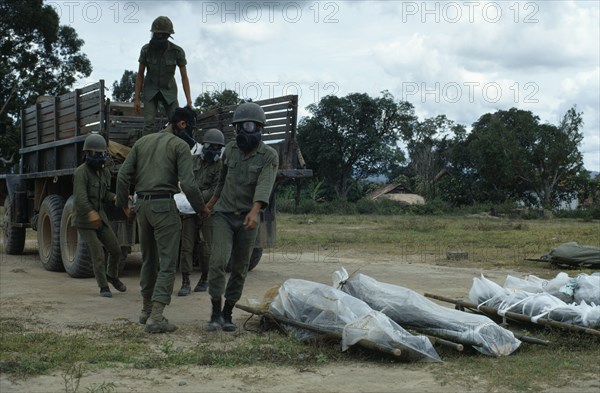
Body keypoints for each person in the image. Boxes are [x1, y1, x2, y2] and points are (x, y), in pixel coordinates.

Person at [116, 107, 209, 334]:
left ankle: (146, 310)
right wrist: (201, 208)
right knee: (168, 263)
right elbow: (187, 183)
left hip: (142, 206)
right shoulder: (179, 146)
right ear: (182, 125)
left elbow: (122, 175)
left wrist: (124, 205)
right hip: (164, 206)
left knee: (149, 260)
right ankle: (156, 317)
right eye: (191, 128)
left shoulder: (142, 142)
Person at [204, 102, 279, 332]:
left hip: (248, 218)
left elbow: (264, 186)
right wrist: (210, 205)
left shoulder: (269, 156)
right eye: (241, 126)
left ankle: (228, 313)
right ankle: (215, 313)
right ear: (236, 129)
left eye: (250, 126)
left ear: (259, 128)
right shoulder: (229, 150)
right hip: (224, 216)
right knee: (217, 262)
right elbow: (221, 181)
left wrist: (255, 212)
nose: (245, 131)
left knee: (240, 267)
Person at [73, 133, 127, 297]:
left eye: (101, 153)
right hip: (84, 220)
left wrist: (116, 197)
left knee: (116, 250)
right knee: (97, 253)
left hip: (100, 217)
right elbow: (80, 198)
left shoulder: (105, 173)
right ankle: (103, 286)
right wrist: (90, 213)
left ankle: (112, 276)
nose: (99, 157)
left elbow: (105, 195)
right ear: (87, 154)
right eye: (95, 154)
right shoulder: (80, 172)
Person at [177, 129, 225, 296]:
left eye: (218, 148)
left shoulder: (220, 166)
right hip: (189, 209)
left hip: (208, 210)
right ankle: (185, 281)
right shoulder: (192, 160)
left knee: (206, 248)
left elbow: (215, 190)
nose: (215, 151)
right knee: (186, 246)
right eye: (212, 146)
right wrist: (194, 200)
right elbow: (183, 182)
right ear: (204, 145)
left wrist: (199, 202)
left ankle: (205, 279)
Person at [134, 16, 193, 137]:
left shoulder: (177, 52)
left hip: (169, 90)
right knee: (149, 123)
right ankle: (146, 151)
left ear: (168, 36)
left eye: (162, 35)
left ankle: (176, 149)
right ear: (153, 34)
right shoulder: (146, 50)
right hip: (151, 90)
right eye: (157, 34)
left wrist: (189, 101)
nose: (159, 37)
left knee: (178, 121)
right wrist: (137, 98)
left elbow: (184, 77)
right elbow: (140, 74)